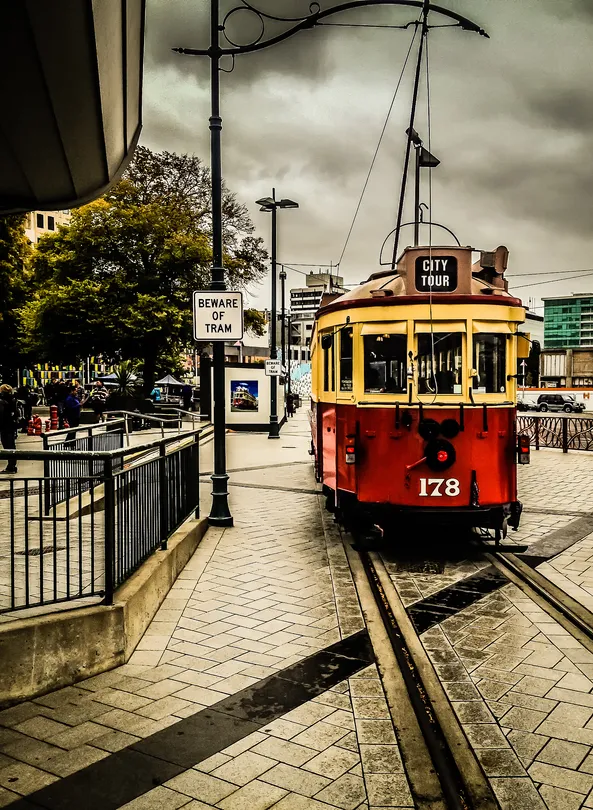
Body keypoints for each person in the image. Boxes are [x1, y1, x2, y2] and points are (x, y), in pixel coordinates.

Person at [0, 384, 18, 474]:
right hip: (12, 425)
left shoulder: (2, 401)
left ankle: (10, 466)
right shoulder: (13, 399)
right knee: (11, 445)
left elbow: (1, 414)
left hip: (4, 426)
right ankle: (12, 465)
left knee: (7, 446)